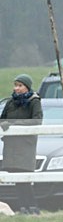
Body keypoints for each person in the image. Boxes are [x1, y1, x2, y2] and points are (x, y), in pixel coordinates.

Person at [0, 74, 43, 214]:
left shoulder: (34, 101)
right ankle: (23, 208)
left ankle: (33, 207)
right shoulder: (10, 102)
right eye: (15, 85)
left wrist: (13, 124)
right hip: (11, 146)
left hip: (25, 146)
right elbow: (2, 119)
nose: (16, 88)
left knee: (25, 178)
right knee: (17, 179)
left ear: (27, 87)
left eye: (20, 85)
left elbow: (36, 121)